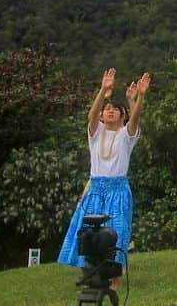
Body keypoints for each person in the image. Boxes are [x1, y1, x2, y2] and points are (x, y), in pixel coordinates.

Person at [59, 69, 151, 289]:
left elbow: (136, 117)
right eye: (106, 109)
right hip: (95, 189)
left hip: (117, 190)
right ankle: (91, 275)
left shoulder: (125, 136)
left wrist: (138, 98)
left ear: (122, 115)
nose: (109, 111)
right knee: (88, 233)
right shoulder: (96, 132)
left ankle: (115, 279)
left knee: (115, 233)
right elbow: (91, 117)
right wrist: (103, 91)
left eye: (114, 109)